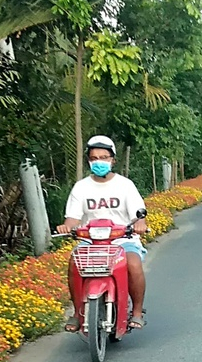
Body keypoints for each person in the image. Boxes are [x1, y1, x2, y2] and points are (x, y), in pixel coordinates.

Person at [57, 135, 150, 330]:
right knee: (74, 264)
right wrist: (67, 226)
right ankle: (77, 312)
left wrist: (140, 223)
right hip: (91, 242)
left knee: (133, 264)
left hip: (122, 239)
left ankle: (138, 312)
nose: (99, 161)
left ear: (113, 160)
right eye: (94, 158)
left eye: (104, 157)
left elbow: (138, 215)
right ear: (89, 161)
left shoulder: (125, 185)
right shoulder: (81, 187)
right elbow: (73, 218)